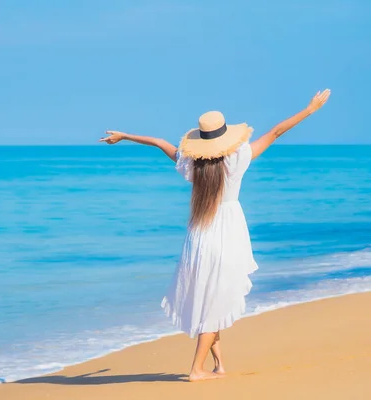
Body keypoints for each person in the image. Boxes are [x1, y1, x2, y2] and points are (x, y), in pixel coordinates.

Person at [100, 89, 331, 381]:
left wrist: (124, 135)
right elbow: (275, 132)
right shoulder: (238, 159)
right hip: (227, 236)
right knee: (216, 301)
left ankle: (219, 365)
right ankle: (196, 370)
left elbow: (159, 143)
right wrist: (310, 109)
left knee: (212, 297)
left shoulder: (191, 164)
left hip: (199, 237)